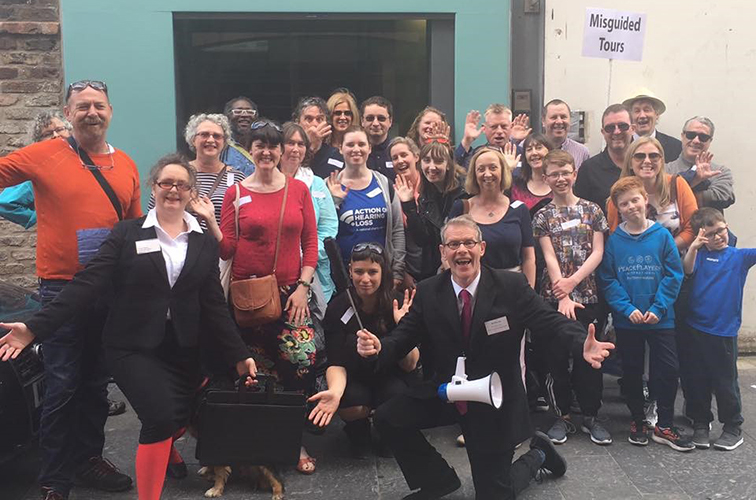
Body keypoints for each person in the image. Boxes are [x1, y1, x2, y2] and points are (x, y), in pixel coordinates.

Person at [0, 155, 257, 500]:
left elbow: (213, 305)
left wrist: (239, 354)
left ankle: (167, 448)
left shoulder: (204, 242)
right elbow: (87, 283)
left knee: (180, 414)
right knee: (162, 418)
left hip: (182, 348)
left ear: (192, 192)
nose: (173, 190)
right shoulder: (127, 233)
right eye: (166, 183)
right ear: (155, 187)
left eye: (182, 184)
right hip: (131, 346)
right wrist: (34, 328)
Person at [358, 215, 613, 499]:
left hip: (495, 400)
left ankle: (538, 456)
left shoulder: (511, 287)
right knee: (388, 417)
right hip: (446, 391)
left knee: (494, 494)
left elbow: (549, 321)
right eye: (453, 244)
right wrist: (379, 348)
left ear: (482, 248)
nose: (461, 250)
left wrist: (581, 345)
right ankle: (437, 480)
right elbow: (403, 337)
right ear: (443, 252)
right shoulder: (429, 291)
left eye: (468, 242)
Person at [0, 80, 141, 500]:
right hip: (60, 288)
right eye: (82, 106)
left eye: (98, 105)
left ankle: (88, 461)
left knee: (96, 382)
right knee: (62, 383)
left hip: (108, 288)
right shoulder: (45, 155)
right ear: (69, 112)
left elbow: (131, 231)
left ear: (111, 112)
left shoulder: (128, 165)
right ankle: (54, 478)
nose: (91, 113)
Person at [213, 119, 320, 475]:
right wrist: (208, 222)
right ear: (251, 149)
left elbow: (309, 244)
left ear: (281, 151)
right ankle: (258, 443)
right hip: (247, 297)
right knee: (253, 371)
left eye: (274, 145)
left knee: (301, 361)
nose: (267, 152)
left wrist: (304, 287)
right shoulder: (236, 192)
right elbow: (228, 247)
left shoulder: (298, 190)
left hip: (290, 295)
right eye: (260, 145)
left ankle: (292, 436)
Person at [598, 177, 693, 452]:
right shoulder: (615, 241)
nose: (631, 207)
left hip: (660, 319)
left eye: (635, 200)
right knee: (631, 372)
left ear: (645, 201)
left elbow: (674, 275)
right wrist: (627, 309)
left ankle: (664, 424)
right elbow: (608, 280)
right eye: (623, 204)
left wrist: (658, 307)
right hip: (629, 322)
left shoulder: (662, 236)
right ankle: (638, 421)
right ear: (618, 208)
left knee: (668, 369)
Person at [308, 243, 420, 457]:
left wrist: (403, 328)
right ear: (350, 271)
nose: (365, 279)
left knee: (396, 397)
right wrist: (335, 394)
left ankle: (389, 428)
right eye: (359, 272)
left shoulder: (399, 303)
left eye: (372, 272)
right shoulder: (338, 307)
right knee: (351, 401)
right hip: (355, 377)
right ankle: (358, 430)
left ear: (383, 272)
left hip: (392, 376)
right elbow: (336, 362)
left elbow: (411, 364)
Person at [532, 150, 610, 446]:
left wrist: (573, 283)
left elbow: (598, 252)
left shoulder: (593, 210)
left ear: (574, 174)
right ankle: (561, 416)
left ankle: (591, 415)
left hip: (587, 296)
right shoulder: (542, 215)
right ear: (546, 178)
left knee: (589, 356)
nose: (561, 178)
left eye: (566, 172)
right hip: (553, 298)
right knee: (555, 359)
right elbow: (548, 255)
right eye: (554, 174)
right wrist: (560, 290)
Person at [683, 208, 754, 451]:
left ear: (727, 228)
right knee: (697, 380)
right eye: (710, 234)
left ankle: (733, 427)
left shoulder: (739, 257)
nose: (717, 237)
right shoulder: (699, 256)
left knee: (726, 382)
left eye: (720, 230)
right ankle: (701, 423)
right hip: (696, 329)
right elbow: (687, 270)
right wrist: (694, 247)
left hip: (723, 333)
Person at [327, 125, 406, 288]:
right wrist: (334, 202)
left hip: (381, 275)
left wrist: (397, 271)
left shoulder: (384, 184)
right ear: (341, 149)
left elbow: (397, 230)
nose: (356, 149)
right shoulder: (328, 186)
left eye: (361, 144)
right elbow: (324, 233)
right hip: (344, 279)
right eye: (350, 145)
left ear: (369, 148)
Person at [449, 147, 536, 286]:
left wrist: (529, 293)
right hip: (473, 287)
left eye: (493, 167)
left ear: (503, 171)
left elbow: (529, 258)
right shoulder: (461, 208)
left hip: (513, 287)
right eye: (481, 169)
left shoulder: (519, 209)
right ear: (474, 174)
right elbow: (448, 252)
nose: (487, 174)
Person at [278, 121, 338, 304]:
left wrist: (305, 257)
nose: (295, 149)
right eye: (290, 143)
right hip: (277, 273)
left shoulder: (317, 183)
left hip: (315, 272)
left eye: (301, 144)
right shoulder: (266, 182)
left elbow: (328, 227)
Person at [605, 137, 698, 251]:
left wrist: (664, 251)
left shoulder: (677, 184)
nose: (647, 161)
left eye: (654, 156)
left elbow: (692, 227)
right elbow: (616, 237)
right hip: (635, 261)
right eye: (640, 156)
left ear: (661, 161)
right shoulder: (619, 194)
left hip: (675, 259)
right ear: (630, 163)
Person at [154, 113, 245, 230]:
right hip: (178, 243)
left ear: (224, 142)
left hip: (217, 245)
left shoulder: (238, 178)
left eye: (217, 136)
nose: (211, 140)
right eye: (204, 134)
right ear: (193, 140)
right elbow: (154, 210)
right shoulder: (176, 173)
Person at [395, 138, 465, 283]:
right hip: (435, 270)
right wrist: (409, 205)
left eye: (438, 161)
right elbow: (422, 239)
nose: (431, 167)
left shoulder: (465, 192)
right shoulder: (425, 195)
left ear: (448, 165)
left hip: (462, 265)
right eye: (427, 160)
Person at [0, 110, 72, 229]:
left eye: (59, 130)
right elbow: (5, 203)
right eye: (47, 134)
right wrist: (39, 216)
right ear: (38, 141)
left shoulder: (83, 159)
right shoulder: (39, 170)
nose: (55, 136)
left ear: (69, 132)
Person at [574, 103, 635, 215]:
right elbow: (581, 215)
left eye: (622, 126)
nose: (616, 131)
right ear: (603, 132)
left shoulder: (644, 165)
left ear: (633, 129)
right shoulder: (589, 170)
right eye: (610, 127)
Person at [665, 116, 735, 212]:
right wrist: (698, 181)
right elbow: (661, 197)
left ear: (710, 141)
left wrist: (677, 195)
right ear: (682, 136)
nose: (696, 140)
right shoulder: (665, 169)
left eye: (703, 137)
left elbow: (723, 196)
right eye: (691, 135)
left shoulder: (720, 171)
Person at [455, 104, 531, 168]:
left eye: (504, 126)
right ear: (484, 128)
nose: (499, 131)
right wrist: (466, 141)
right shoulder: (477, 155)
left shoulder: (523, 154)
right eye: (493, 127)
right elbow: (455, 170)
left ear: (511, 127)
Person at [623, 92, 682, 162]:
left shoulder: (675, 147)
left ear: (657, 114)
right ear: (630, 116)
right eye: (637, 111)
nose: (642, 115)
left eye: (646, 110)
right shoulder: (621, 147)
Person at [293, 96, 342, 179]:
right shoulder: (290, 151)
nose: (315, 124)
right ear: (298, 123)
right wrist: (310, 145)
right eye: (308, 119)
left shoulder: (336, 155)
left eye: (319, 119)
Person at [510, 133, 554, 211]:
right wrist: (508, 170)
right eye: (529, 149)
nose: (534, 153)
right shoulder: (516, 185)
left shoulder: (559, 183)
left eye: (538, 148)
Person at [541, 99, 590, 169]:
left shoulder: (582, 152)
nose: (559, 121)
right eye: (554, 117)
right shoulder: (530, 149)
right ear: (543, 121)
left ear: (570, 120)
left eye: (563, 117)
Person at [360, 96, 396, 180]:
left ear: (390, 121)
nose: (375, 123)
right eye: (370, 118)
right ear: (362, 121)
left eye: (381, 118)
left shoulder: (398, 152)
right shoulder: (356, 153)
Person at [220, 96, 257, 176]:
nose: (244, 115)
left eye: (250, 112)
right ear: (227, 117)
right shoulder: (221, 146)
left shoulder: (262, 146)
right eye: (238, 111)